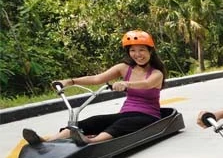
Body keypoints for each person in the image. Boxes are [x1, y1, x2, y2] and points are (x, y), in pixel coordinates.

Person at [22, 30, 166, 147]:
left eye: (142, 50)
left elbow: (147, 84)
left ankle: (91, 142)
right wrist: (69, 81)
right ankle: (46, 141)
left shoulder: (156, 73)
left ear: (150, 51)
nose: (137, 54)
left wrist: (126, 84)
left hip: (148, 116)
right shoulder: (124, 68)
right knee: (94, 120)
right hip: (125, 113)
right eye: (133, 50)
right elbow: (97, 78)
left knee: (123, 124)